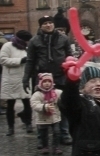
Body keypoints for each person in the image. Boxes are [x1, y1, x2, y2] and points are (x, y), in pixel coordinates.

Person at [23, 15, 74, 144]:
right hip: (42, 79)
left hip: (60, 76)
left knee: (62, 105)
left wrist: (72, 73)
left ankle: (64, 133)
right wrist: (26, 78)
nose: (48, 25)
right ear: (41, 26)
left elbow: (70, 57)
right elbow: (30, 61)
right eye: (45, 23)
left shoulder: (63, 39)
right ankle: (43, 137)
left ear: (54, 24)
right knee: (42, 106)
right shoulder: (34, 41)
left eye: (50, 22)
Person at [1, 30, 33, 135]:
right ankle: (11, 127)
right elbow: (3, 60)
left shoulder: (27, 47)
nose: (27, 42)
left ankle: (28, 124)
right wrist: (20, 60)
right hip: (11, 79)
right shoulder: (8, 45)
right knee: (10, 104)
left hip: (24, 78)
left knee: (27, 102)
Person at [30, 73, 62, 156]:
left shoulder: (57, 92)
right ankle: (45, 146)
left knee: (57, 132)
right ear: (40, 83)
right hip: (42, 118)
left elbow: (65, 96)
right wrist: (44, 107)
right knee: (43, 133)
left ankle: (56, 147)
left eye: (49, 81)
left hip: (54, 117)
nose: (47, 83)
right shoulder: (37, 94)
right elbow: (34, 104)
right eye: (45, 81)